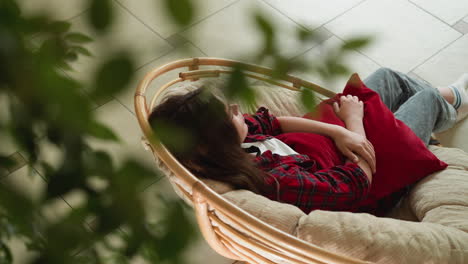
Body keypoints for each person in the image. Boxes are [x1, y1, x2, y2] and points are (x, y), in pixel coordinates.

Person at [148, 67, 468, 215]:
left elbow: (270, 120)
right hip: (372, 172)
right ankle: (454, 100)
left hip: (338, 143)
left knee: (386, 77)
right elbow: (354, 185)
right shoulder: (272, 181)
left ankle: (449, 103)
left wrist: (338, 131)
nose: (238, 112)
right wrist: (354, 124)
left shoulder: (224, 149)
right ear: (209, 143)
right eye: (229, 115)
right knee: (426, 98)